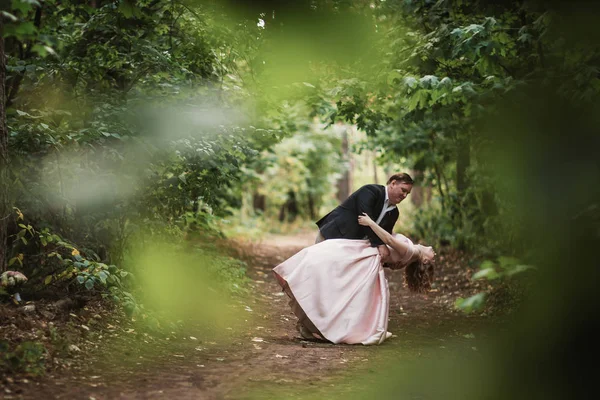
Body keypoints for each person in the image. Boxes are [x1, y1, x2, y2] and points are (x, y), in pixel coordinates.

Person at [272, 213, 435, 345]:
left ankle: (317, 323)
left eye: (433, 258)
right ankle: (312, 322)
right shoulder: (410, 253)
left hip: (365, 256)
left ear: (424, 260)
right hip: (364, 251)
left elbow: (389, 240)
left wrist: (370, 223)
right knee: (334, 283)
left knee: (337, 287)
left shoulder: (412, 252)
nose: (434, 253)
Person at [315, 173, 414, 262]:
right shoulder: (370, 191)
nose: (404, 195)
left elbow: (384, 234)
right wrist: (380, 244)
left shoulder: (394, 213)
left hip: (350, 250)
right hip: (332, 236)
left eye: (407, 193)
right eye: (403, 190)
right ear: (393, 183)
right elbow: (363, 218)